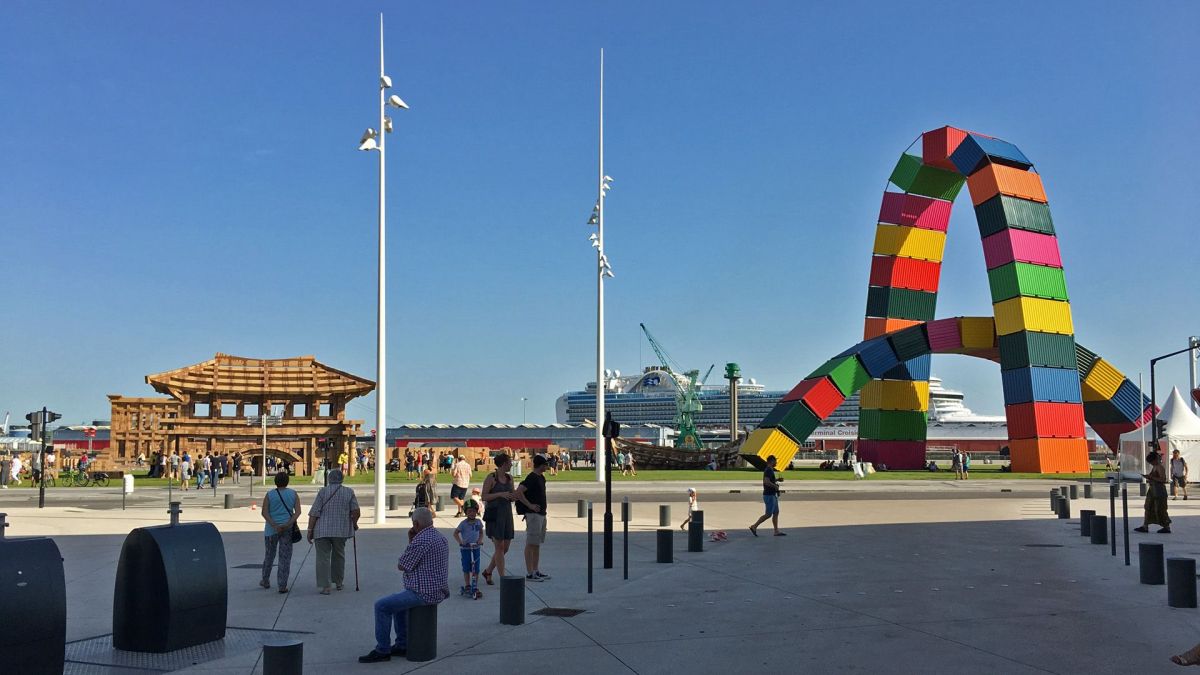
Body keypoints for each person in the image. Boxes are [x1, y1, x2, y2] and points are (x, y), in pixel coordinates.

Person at [359, 507, 449, 663]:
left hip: (422, 593)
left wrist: (411, 541)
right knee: (398, 608)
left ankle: (382, 650)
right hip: (437, 589)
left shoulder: (421, 540)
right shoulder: (439, 536)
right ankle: (402, 644)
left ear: (416, 523)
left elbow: (402, 565)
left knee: (382, 606)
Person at [307, 469, 360, 594]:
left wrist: (310, 530)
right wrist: (354, 524)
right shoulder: (349, 492)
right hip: (340, 530)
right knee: (339, 555)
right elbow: (356, 511)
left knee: (323, 558)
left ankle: (326, 587)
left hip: (322, 530)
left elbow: (314, 513)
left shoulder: (323, 492)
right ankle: (339, 582)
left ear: (329, 479)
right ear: (342, 479)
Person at [260, 471, 302, 593]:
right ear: (287, 482)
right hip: (287, 529)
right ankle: (282, 585)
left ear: (275, 482)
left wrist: (274, 524)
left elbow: (264, 512)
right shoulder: (293, 494)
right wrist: (288, 524)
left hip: (271, 529)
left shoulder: (269, 495)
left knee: (269, 555)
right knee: (285, 557)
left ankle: (265, 580)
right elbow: (298, 512)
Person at [480, 453, 516, 585]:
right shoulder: (491, 478)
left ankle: (488, 571)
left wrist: (514, 496)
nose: (511, 464)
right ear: (504, 464)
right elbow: (484, 496)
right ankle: (503, 578)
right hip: (495, 515)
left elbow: (512, 494)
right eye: (509, 462)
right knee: (499, 547)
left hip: (506, 515)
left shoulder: (509, 478)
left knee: (505, 548)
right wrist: (500, 494)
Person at [514, 454, 550, 582]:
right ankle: (530, 573)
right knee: (530, 543)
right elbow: (519, 492)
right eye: (545, 465)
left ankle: (536, 570)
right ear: (540, 465)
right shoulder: (532, 477)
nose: (547, 467)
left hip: (542, 514)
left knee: (537, 543)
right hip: (533, 515)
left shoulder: (541, 478)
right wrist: (530, 505)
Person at [453, 499, 485, 598]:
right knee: (466, 567)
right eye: (469, 511)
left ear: (477, 511)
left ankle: (475, 586)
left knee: (476, 568)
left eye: (474, 511)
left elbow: (481, 532)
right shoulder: (463, 523)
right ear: (466, 512)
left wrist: (480, 540)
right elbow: (455, 533)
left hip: (476, 548)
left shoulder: (478, 522)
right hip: (466, 549)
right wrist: (460, 542)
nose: (472, 513)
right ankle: (467, 585)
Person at [1135, 451, 1172, 534]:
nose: (1151, 463)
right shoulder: (1155, 467)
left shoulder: (1160, 467)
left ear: (1155, 460)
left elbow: (1163, 479)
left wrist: (1151, 477)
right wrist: (1149, 477)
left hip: (1159, 490)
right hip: (1152, 490)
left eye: (1151, 462)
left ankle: (1166, 526)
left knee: (1160, 508)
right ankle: (1145, 526)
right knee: (1148, 506)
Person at [749, 456, 785, 537]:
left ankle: (776, 531)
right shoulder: (768, 470)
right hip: (769, 495)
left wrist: (777, 480)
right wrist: (775, 486)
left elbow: (769, 480)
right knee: (768, 514)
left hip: (772, 495)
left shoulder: (770, 470)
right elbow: (766, 482)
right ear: (771, 461)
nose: (776, 463)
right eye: (775, 461)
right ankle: (754, 526)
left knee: (776, 512)